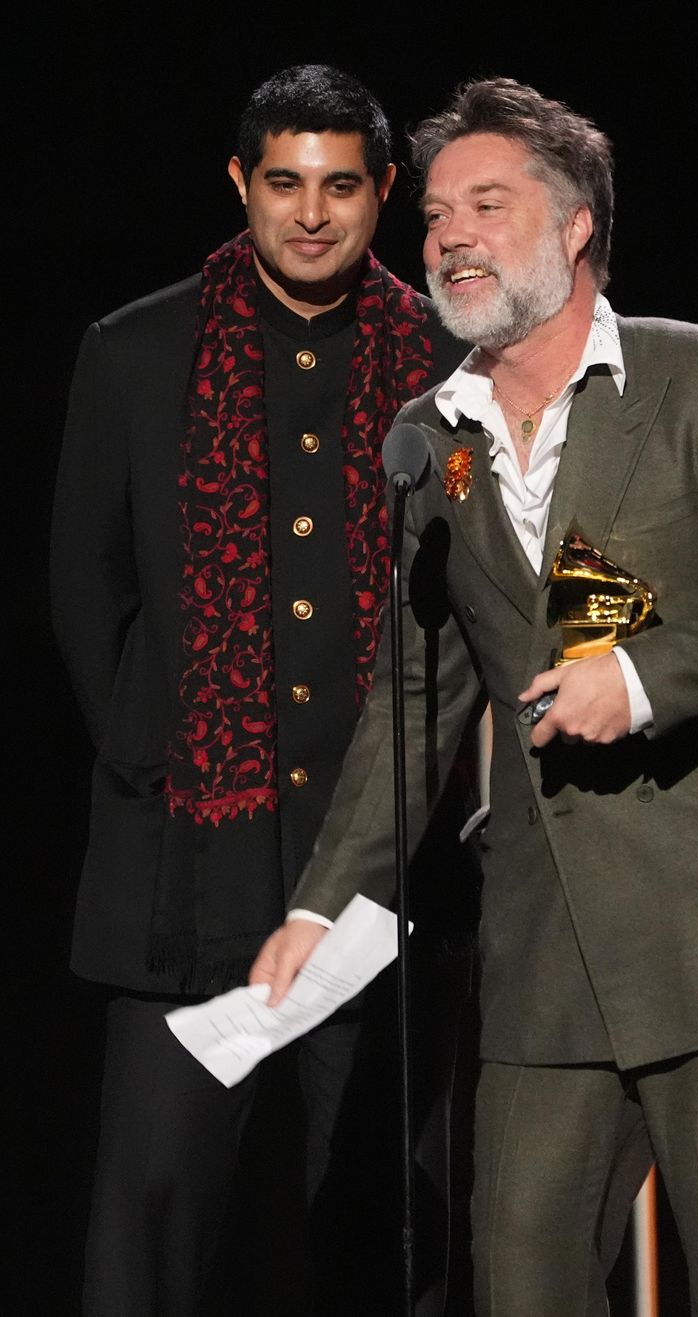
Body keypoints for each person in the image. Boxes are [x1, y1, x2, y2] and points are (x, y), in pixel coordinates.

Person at [251, 77, 698, 1315]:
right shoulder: (432, 439)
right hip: (547, 948)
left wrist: (641, 680)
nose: (448, 239)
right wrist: (323, 908)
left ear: (576, 222)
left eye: (486, 204)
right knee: (522, 1279)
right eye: (433, 218)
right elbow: (408, 704)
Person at [51, 63, 470, 1317]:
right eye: (282, 183)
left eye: (340, 186)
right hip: (187, 866)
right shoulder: (136, 350)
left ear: (383, 192)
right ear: (239, 183)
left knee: (395, 1231)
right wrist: (161, 762)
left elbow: (503, 579)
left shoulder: (449, 360)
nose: (309, 213)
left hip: (383, 873)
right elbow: (87, 591)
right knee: (152, 1235)